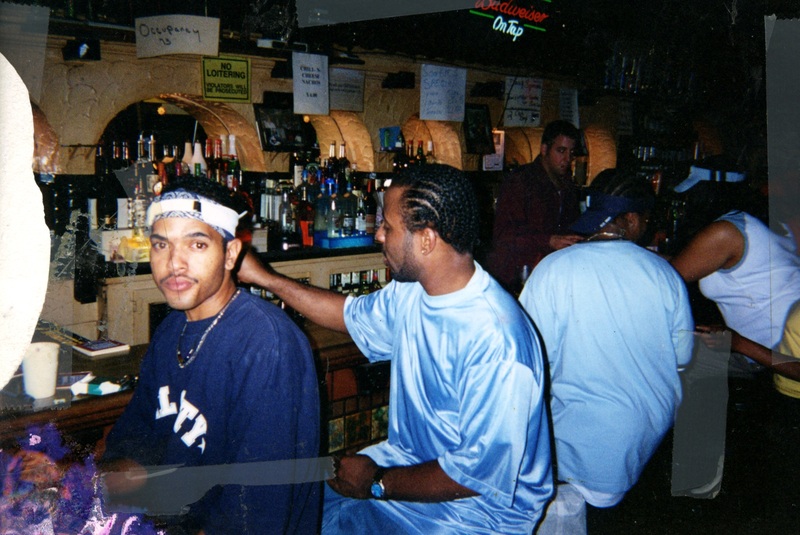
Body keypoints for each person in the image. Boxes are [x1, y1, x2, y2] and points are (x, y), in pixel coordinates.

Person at [237, 164, 553, 534]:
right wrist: (265, 277)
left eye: (387, 225)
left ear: (426, 240)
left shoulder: (497, 339)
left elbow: (475, 474)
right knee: (279, 506)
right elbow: (347, 314)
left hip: (475, 516)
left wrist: (376, 481)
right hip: (406, 471)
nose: (378, 234)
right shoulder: (414, 291)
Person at [100, 176, 321, 534]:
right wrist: (72, 480)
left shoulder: (266, 345)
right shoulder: (172, 328)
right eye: (161, 245)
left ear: (231, 254)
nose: (174, 264)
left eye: (197, 244)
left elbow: (256, 512)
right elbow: (135, 445)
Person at [518, 169, 694, 527]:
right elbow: (683, 357)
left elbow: (527, 358)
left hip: (578, 446)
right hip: (647, 438)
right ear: (631, 219)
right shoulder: (665, 275)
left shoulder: (552, 269)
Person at [487, 119, 584, 291]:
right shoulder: (521, 181)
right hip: (516, 277)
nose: (567, 159)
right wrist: (549, 240)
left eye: (571, 153)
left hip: (550, 274)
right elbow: (504, 234)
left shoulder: (567, 185)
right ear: (544, 149)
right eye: (561, 151)